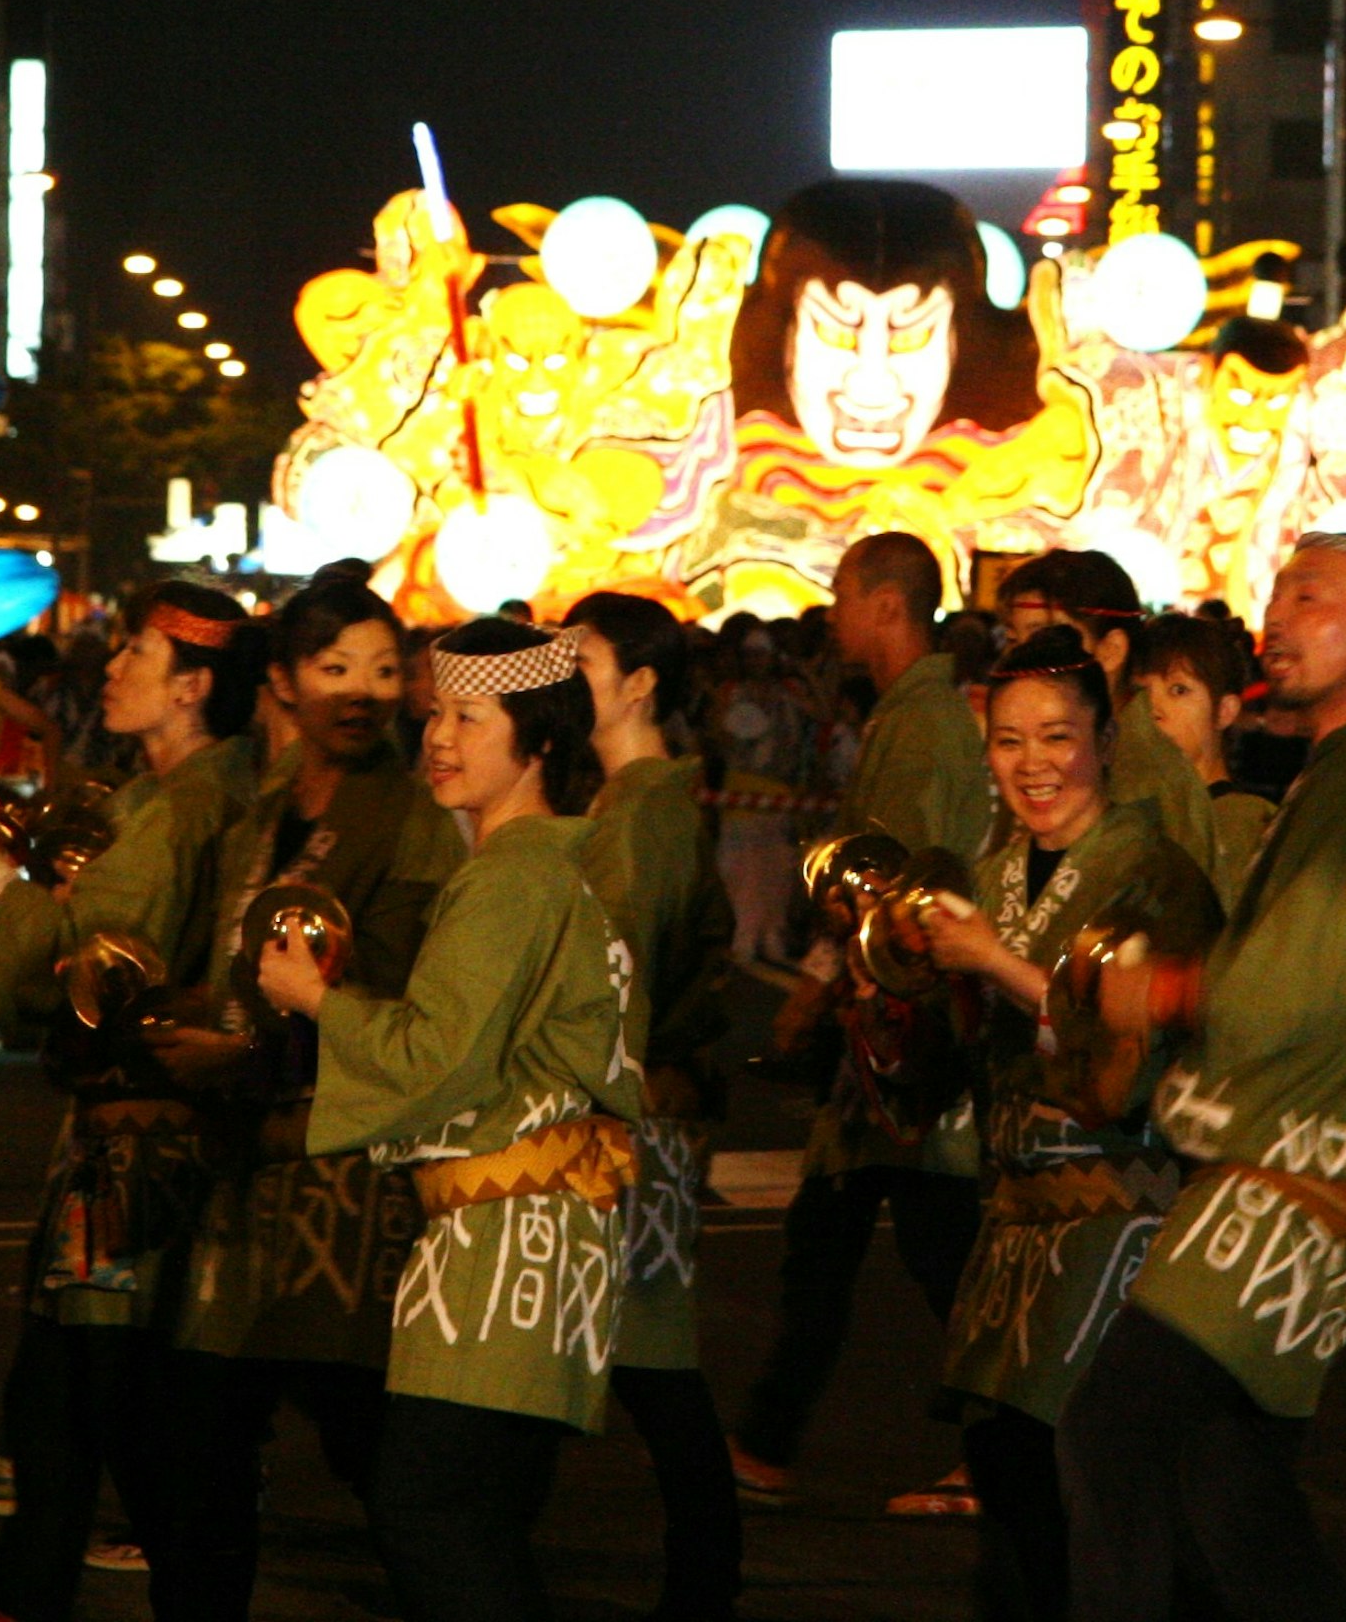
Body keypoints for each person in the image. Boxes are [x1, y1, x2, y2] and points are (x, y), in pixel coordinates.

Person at [1054, 532, 1346, 1622]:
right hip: (1311, 1171)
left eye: (1312, 598)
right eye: (1278, 593)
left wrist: (1169, 992)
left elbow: (1305, 978)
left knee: (1114, 1437)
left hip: (1291, 1175)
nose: (1277, 619)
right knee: (1227, 1487)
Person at [255, 619, 643, 1622]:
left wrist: (315, 998)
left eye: (470, 717)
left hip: (503, 1246)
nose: (438, 737)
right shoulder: (556, 868)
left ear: (539, 743)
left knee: (427, 1512)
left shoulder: (510, 876)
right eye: (435, 713)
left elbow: (438, 1058)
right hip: (542, 1237)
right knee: (475, 1516)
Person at [0, 581, 270, 1621]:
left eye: (135, 652)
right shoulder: (173, 794)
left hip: (137, 1156)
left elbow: (98, 964)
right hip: (138, 1150)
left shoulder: (180, 810)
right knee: (75, 1414)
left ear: (194, 687)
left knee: (98, 1416)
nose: (113, 666)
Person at [149, 576, 462, 1622]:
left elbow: (398, 984)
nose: (363, 692)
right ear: (283, 680)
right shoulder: (264, 813)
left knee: (378, 1453)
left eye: (383, 668)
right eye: (335, 669)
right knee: (201, 1445)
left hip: (346, 1178)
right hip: (245, 1172)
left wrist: (240, 1054)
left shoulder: (415, 819)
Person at [914, 628, 1221, 1622]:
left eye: (1057, 736)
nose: (1033, 764)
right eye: (1009, 741)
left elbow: (1134, 1050)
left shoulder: (1154, 874)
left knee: (1085, 1470)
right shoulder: (995, 872)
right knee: (1009, 1465)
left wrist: (997, 965)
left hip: (1117, 1202)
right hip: (1013, 1208)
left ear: (1104, 741)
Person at [732, 531, 991, 1505]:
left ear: (888, 604)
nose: (834, 615)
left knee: (924, 1254)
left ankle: (994, 1441)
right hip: (880, 1035)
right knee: (846, 1249)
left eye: (843, 594)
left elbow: (899, 876)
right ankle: (767, 1438)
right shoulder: (908, 715)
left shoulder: (924, 727)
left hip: (900, 1036)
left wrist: (824, 977)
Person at [569, 591, 743, 1622]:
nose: (561, 672)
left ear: (639, 682)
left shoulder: (643, 810)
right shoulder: (622, 801)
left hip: (632, 1121)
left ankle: (706, 1581)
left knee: (651, 1360)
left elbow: (619, 975)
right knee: (631, 1357)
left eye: (579, 656)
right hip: (636, 1110)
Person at [998, 550, 1212, 870]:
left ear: (1111, 651)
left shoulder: (1140, 780)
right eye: (1015, 642)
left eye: (1049, 641)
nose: (1026, 661)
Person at [1125, 610, 1270, 896]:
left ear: (1225, 711)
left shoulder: (1241, 822)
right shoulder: (1136, 819)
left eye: (1179, 690)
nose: (1153, 709)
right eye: (1141, 691)